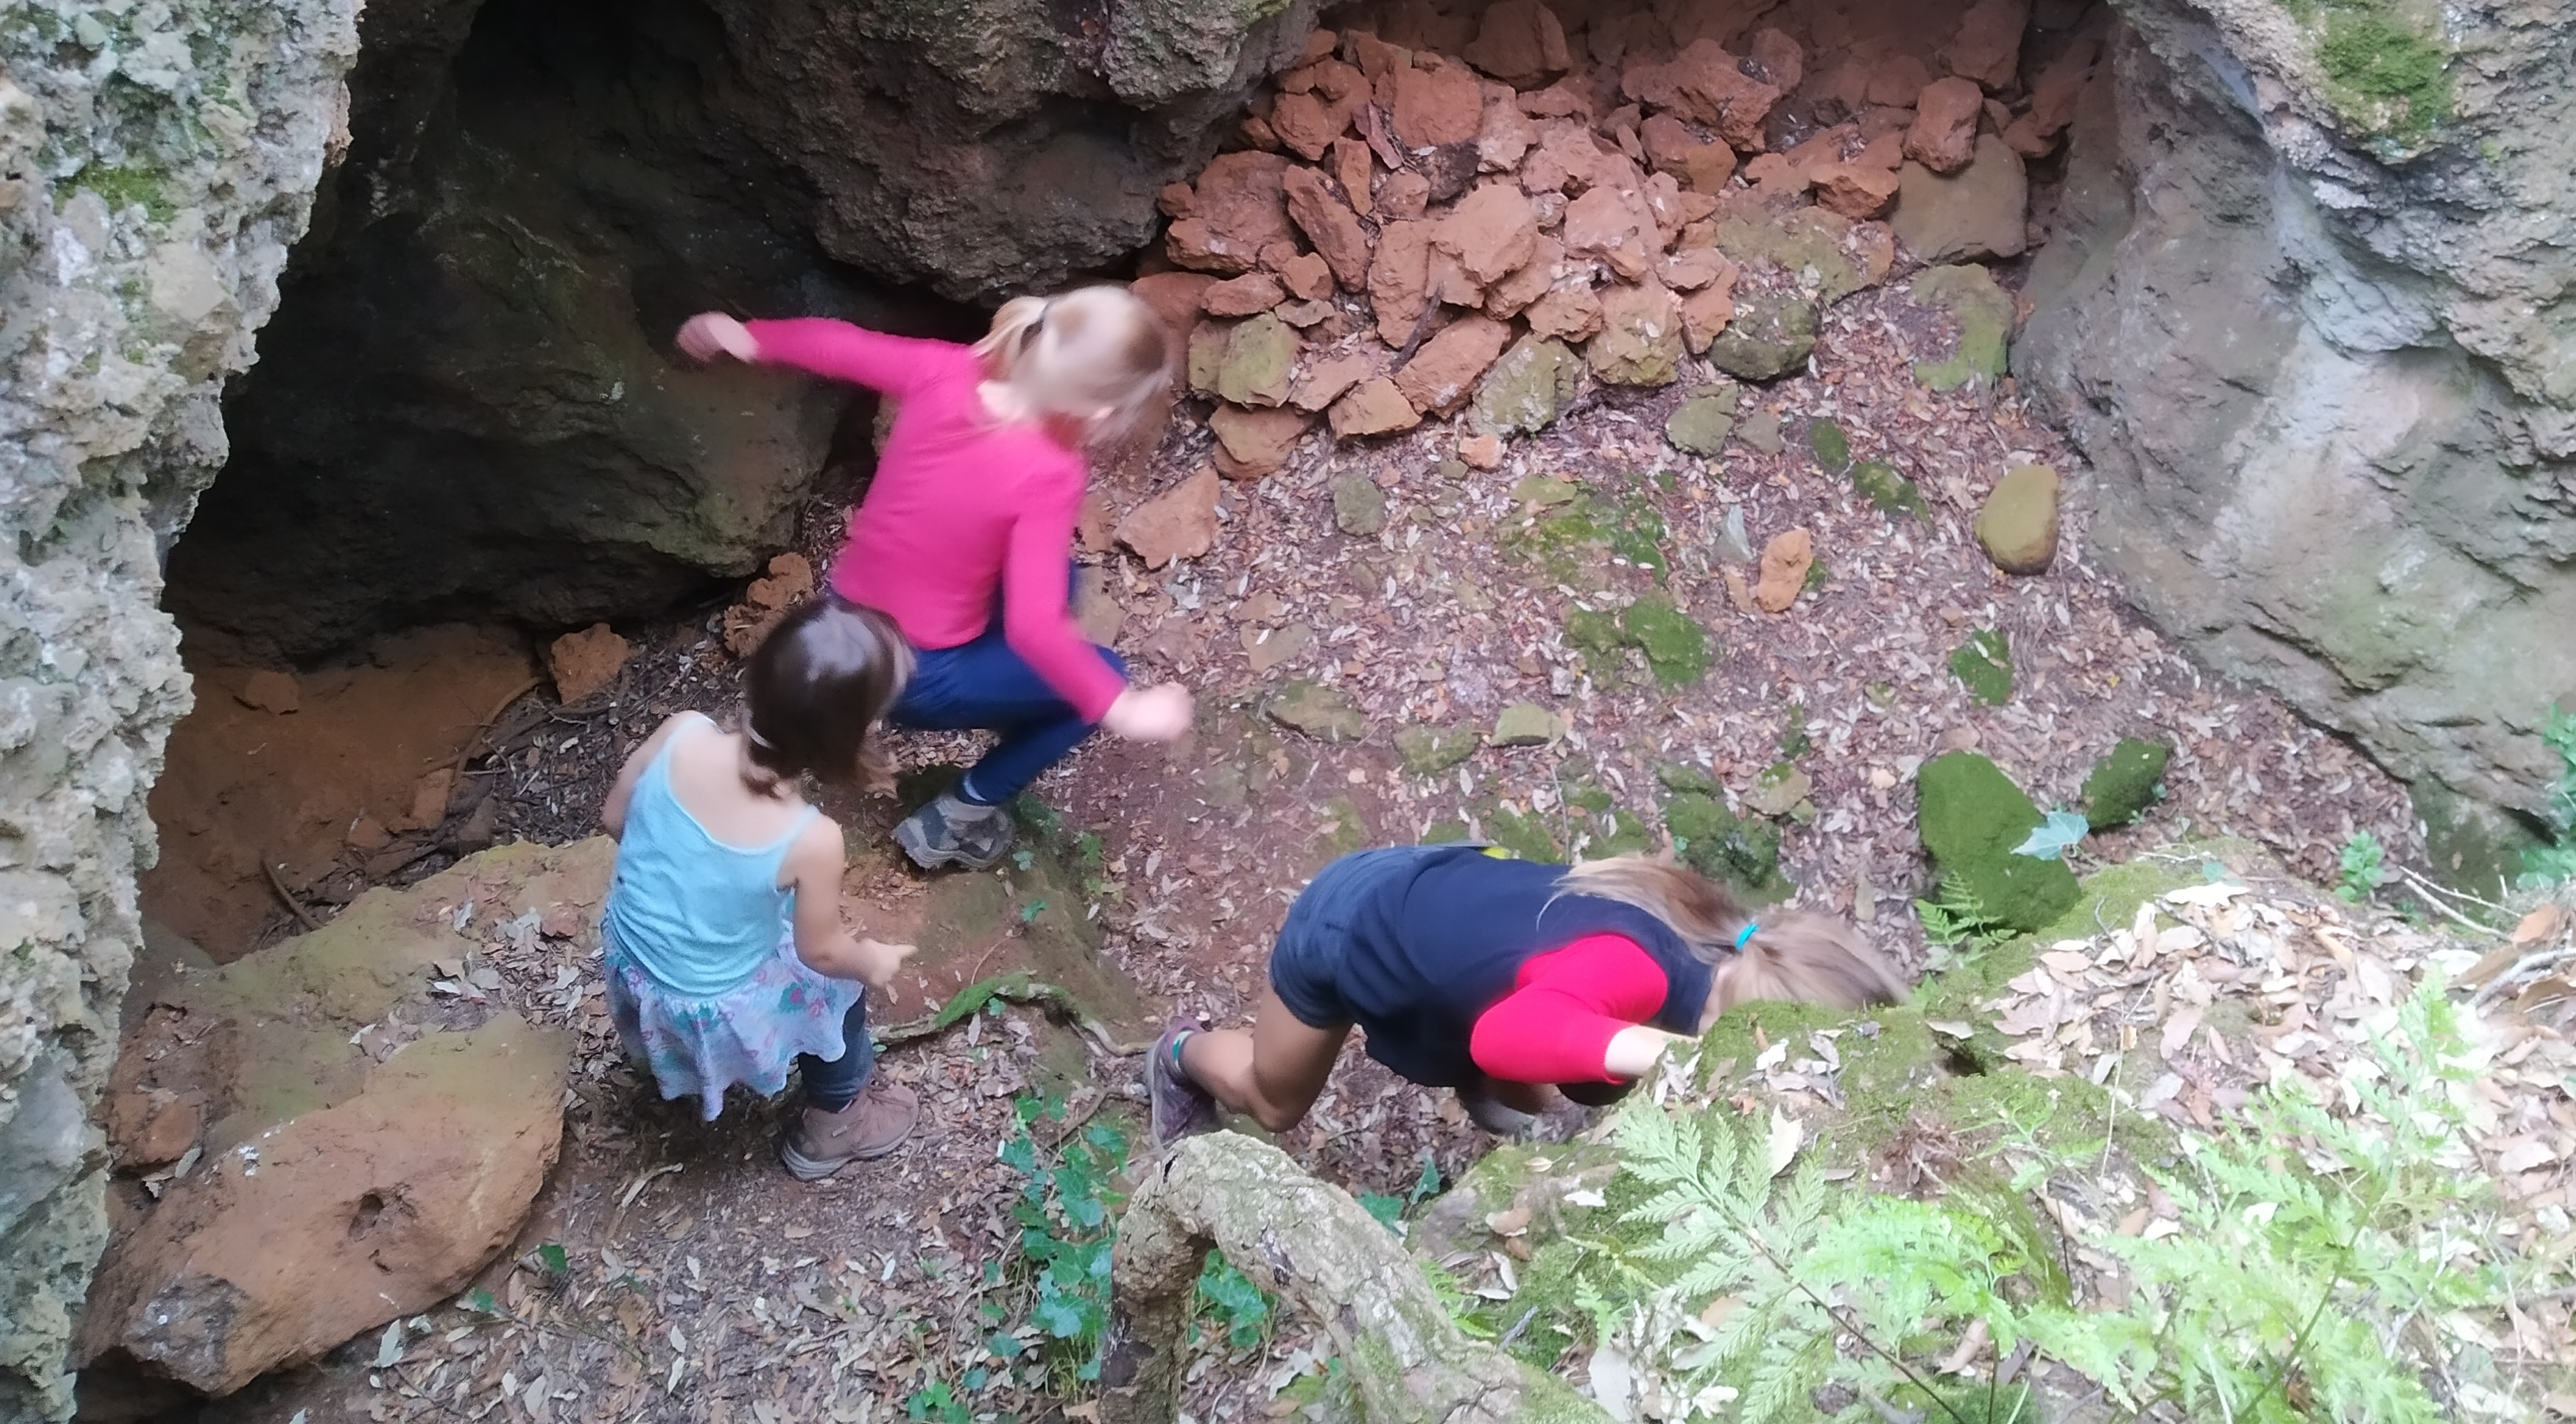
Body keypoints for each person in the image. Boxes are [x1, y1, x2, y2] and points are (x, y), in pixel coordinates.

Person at [677, 288, 1194, 871]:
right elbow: (1033, 627)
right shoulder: (1052, 474)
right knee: (1100, 680)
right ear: (1098, 415)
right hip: (917, 676)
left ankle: (997, 693)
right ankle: (960, 817)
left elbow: (843, 346)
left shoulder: (947, 369)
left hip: (844, 625)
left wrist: (751, 337)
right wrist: (1122, 708)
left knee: (1062, 581)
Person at [1147, 846, 1910, 1144]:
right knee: (1274, 1103)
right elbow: (1506, 1036)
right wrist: (1685, 1063)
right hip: (1350, 927)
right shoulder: (1642, 977)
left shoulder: (1718, 938)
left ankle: (1487, 1101)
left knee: (1544, 1084)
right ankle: (1176, 1055)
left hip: (1435, 894)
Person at [596, 622, 920, 1182]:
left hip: (635, 958)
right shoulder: (810, 838)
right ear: (853, 736)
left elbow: (613, 819)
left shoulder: (680, 732)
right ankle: (836, 1121)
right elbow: (821, 953)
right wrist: (871, 962)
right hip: (707, 996)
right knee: (836, 989)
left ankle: (679, 1067)